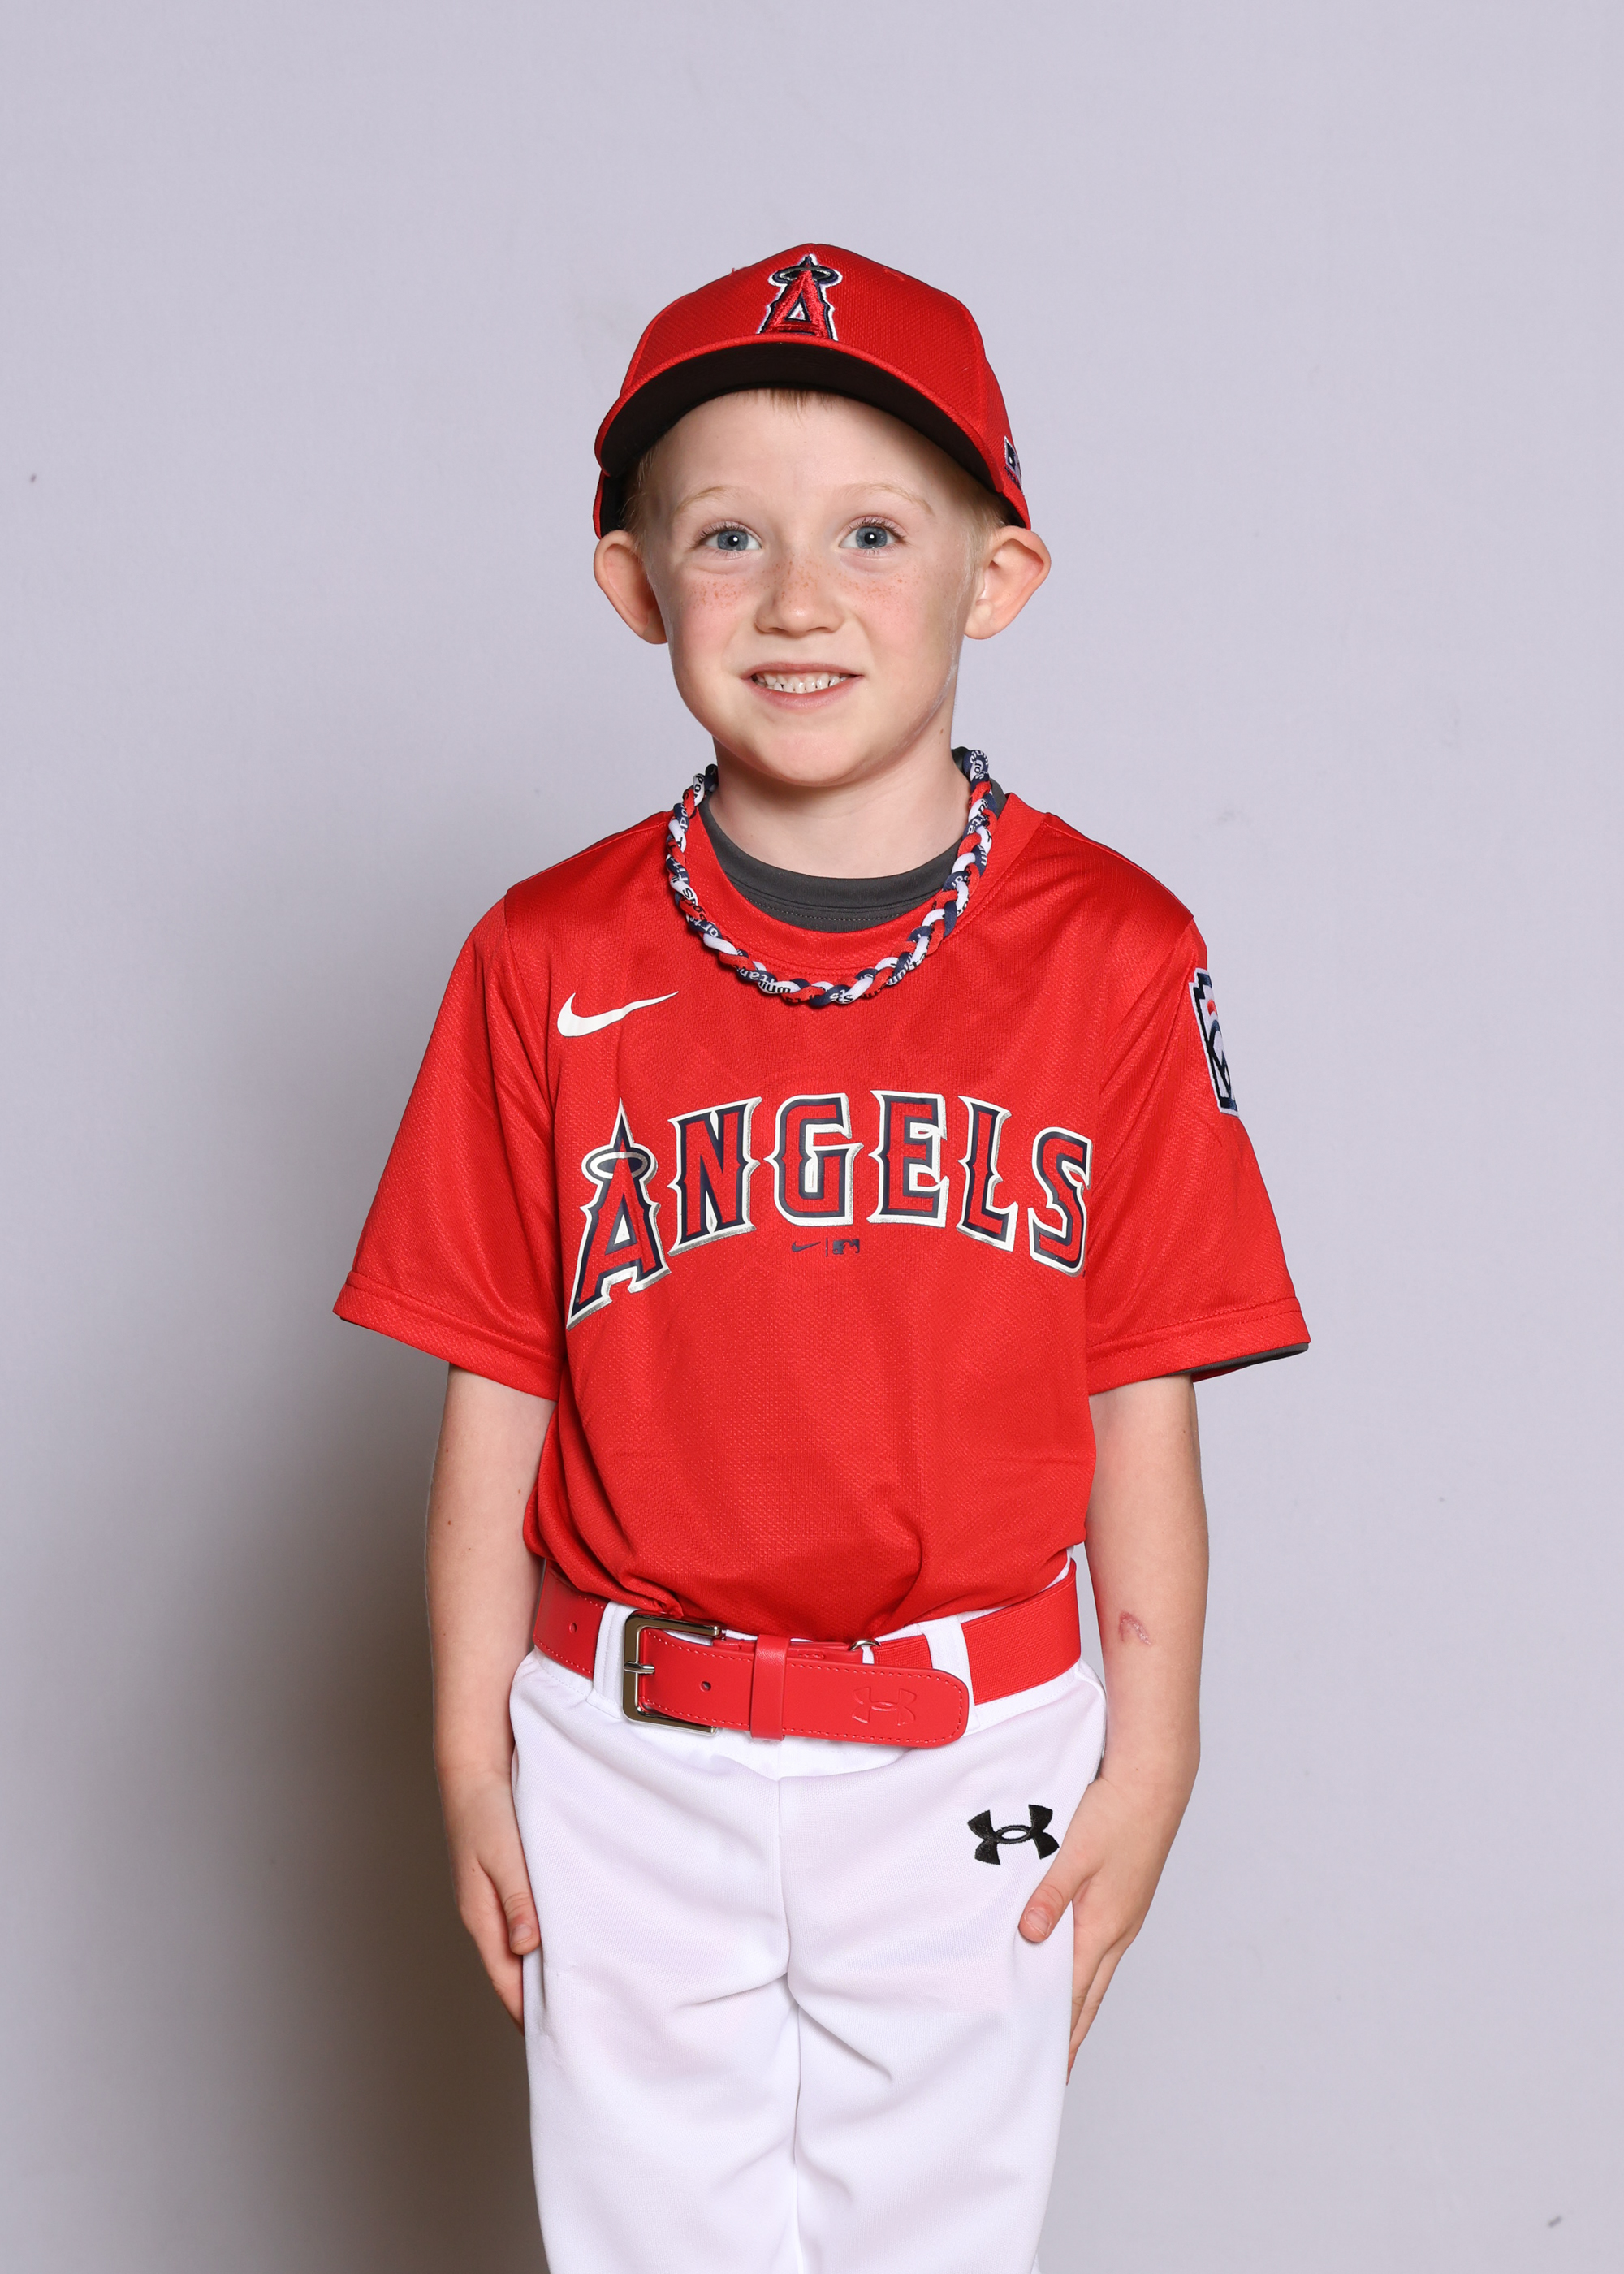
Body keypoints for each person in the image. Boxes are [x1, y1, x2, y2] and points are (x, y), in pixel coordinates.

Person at [335, 242, 1308, 2274]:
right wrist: (462, 1746)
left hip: (976, 1736)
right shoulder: (542, 952)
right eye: (728, 536)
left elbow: (1141, 1390)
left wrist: (1157, 1747)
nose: (797, 596)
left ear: (994, 575)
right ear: (634, 583)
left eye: (873, 531)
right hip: (621, 1735)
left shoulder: (1116, 951)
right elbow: (495, 1382)